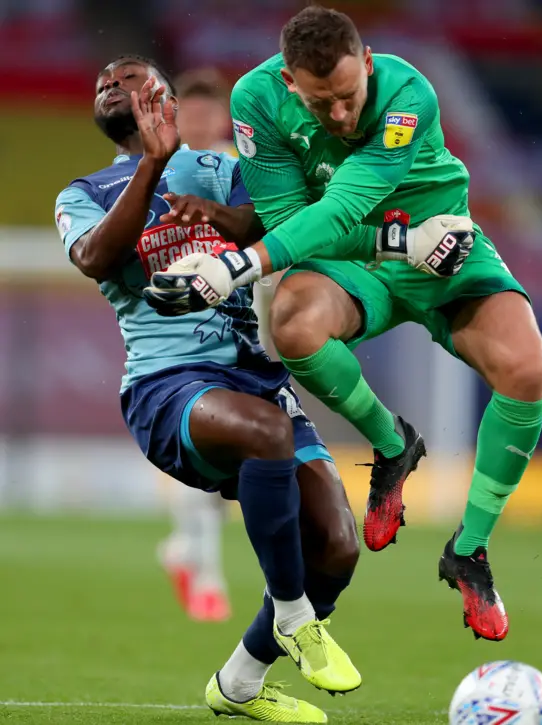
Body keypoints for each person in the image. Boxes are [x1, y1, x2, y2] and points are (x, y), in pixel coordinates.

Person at [144, 6, 542, 643]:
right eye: (320, 104)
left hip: (443, 251)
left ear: (367, 64)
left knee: (527, 371)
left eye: (348, 97)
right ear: (289, 84)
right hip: (365, 258)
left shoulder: (406, 92)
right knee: (292, 326)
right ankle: (393, 445)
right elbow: (292, 222)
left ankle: (468, 550)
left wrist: (235, 267)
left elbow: (343, 204)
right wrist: (397, 240)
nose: (340, 116)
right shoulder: (256, 100)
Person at [54, 54, 361, 722]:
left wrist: (224, 222)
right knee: (265, 431)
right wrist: (152, 165)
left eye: (127, 77)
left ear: (160, 94)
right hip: (168, 390)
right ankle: (290, 615)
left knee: (337, 545)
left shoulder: (221, 168)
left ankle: (240, 680)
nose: (109, 81)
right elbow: (95, 259)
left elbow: (278, 222)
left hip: (256, 379)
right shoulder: (82, 194)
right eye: (102, 79)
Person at [157, 67, 237, 623]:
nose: (203, 122)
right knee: (204, 455)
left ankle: (184, 550)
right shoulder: (159, 169)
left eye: (212, 112)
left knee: (236, 466)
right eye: (192, 112)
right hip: (178, 332)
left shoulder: (245, 171)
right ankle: (206, 575)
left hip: (245, 329)